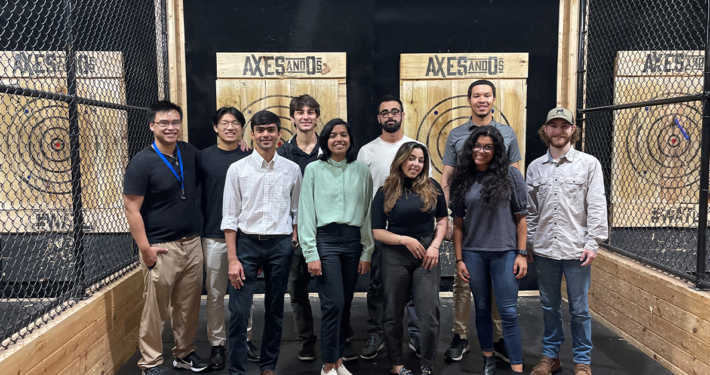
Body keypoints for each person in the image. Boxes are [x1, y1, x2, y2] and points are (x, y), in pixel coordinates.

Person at [123, 100, 209, 375]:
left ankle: (184, 354)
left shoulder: (188, 152)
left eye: (175, 122)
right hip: (160, 247)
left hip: (192, 243)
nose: (171, 127)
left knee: (189, 305)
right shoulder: (141, 162)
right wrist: (145, 248)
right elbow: (131, 208)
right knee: (155, 310)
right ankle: (149, 362)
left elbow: (216, 164)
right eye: (164, 123)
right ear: (152, 126)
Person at [440, 80, 522, 362]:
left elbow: (514, 181)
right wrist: (451, 216)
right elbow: (447, 177)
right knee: (463, 283)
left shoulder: (507, 134)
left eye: (487, 95)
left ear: (494, 99)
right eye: (476, 95)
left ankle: (498, 339)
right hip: (469, 226)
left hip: (499, 230)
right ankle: (460, 335)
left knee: (499, 288)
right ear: (469, 100)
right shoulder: (457, 134)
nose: (482, 99)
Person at [527, 108, 608, 375]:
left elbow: (596, 205)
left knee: (580, 309)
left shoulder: (589, 164)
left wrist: (593, 243)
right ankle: (551, 356)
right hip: (545, 250)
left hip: (577, 251)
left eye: (565, 126)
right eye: (554, 125)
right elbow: (530, 211)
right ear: (545, 130)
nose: (559, 130)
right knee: (549, 306)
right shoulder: (535, 167)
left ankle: (582, 361)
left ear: (573, 130)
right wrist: (528, 243)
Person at [221, 110, 302, 375]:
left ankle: (268, 366)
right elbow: (230, 217)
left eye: (271, 129)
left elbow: (296, 211)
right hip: (246, 245)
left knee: (275, 309)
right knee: (239, 312)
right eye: (260, 130)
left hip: (280, 246)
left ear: (279, 134)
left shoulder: (292, 170)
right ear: (252, 134)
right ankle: (236, 370)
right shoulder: (238, 169)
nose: (265, 134)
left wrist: (293, 238)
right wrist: (233, 259)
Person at [449, 126, 529, 375]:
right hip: (473, 253)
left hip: (505, 252)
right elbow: (458, 223)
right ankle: (488, 360)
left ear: (496, 150)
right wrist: (459, 259)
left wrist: (522, 253)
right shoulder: (462, 178)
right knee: (482, 307)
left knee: (508, 311)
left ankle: (517, 366)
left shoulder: (511, 176)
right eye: (477, 145)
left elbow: (521, 217)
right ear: (470, 147)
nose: (481, 151)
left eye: (488, 147)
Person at [298, 118, 374, 375]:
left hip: (353, 242)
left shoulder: (362, 170)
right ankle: (328, 363)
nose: (338, 139)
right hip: (325, 241)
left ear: (350, 139)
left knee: (346, 303)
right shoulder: (313, 169)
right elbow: (306, 213)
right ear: (326, 140)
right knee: (333, 304)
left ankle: (339, 360)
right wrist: (311, 253)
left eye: (343, 134)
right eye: (333, 135)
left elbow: (366, 213)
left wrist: (367, 250)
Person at [357, 95, 424, 359]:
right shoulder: (367, 151)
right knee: (377, 287)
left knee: (412, 289)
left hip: (411, 230)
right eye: (385, 113)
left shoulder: (415, 147)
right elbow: (362, 194)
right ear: (379, 118)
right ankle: (377, 333)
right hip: (378, 231)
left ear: (403, 115)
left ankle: (417, 336)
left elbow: (425, 190)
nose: (390, 116)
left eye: (395, 111)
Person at [372, 142, 447, 375]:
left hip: (427, 254)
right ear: (401, 160)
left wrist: (435, 245)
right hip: (395, 254)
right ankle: (396, 364)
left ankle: (427, 364)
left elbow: (443, 220)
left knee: (429, 313)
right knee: (393, 313)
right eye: (411, 158)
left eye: (421, 160)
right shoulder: (386, 190)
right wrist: (404, 239)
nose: (416, 164)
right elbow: (377, 231)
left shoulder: (432, 186)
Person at [197, 107, 259, 369]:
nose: (230, 127)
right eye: (225, 123)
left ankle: (244, 339)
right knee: (214, 293)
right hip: (213, 235)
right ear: (215, 127)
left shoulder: (251, 155)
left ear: (242, 128)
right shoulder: (202, 158)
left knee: (244, 293)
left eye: (236, 123)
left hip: (245, 237)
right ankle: (217, 344)